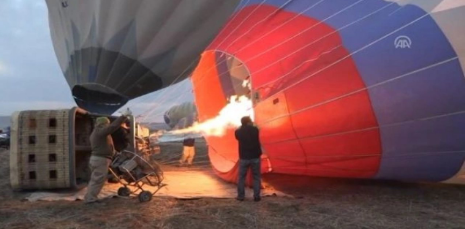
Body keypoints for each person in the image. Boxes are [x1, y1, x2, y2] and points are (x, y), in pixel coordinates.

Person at [84, 110, 131, 204]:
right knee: (97, 180)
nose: (108, 126)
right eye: (107, 124)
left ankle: (90, 197)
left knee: (96, 180)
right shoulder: (100, 132)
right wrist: (123, 117)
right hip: (100, 160)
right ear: (103, 124)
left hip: (100, 159)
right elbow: (113, 127)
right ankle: (90, 200)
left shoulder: (99, 133)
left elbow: (106, 146)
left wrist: (115, 153)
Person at [234, 116, 262, 202]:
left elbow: (237, 134)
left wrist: (241, 126)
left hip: (244, 157)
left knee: (241, 177)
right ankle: (256, 196)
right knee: (256, 177)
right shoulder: (255, 129)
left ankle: (241, 196)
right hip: (255, 156)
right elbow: (258, 127)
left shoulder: (238, 132)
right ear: (249, 122)